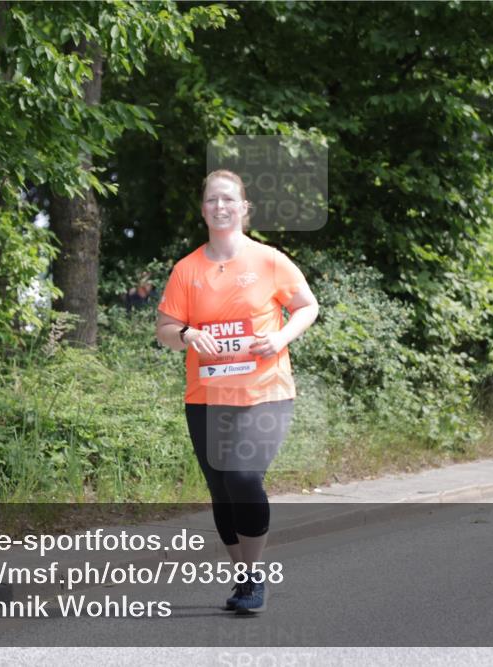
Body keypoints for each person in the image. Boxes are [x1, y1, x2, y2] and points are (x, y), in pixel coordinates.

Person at [155, 169, 319, 613]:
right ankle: (245, 577)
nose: (220, 206)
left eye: (228, 199)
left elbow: (307, 306)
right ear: (203, 209)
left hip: (266, 391)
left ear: (244, 207)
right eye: (212, 199)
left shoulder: (269, 260)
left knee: (242, 477)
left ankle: (254, 573)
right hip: (206, 397)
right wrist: (187, 335)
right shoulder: (187, 270)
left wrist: (280, 338)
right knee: (221, 488)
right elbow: (165, 329)